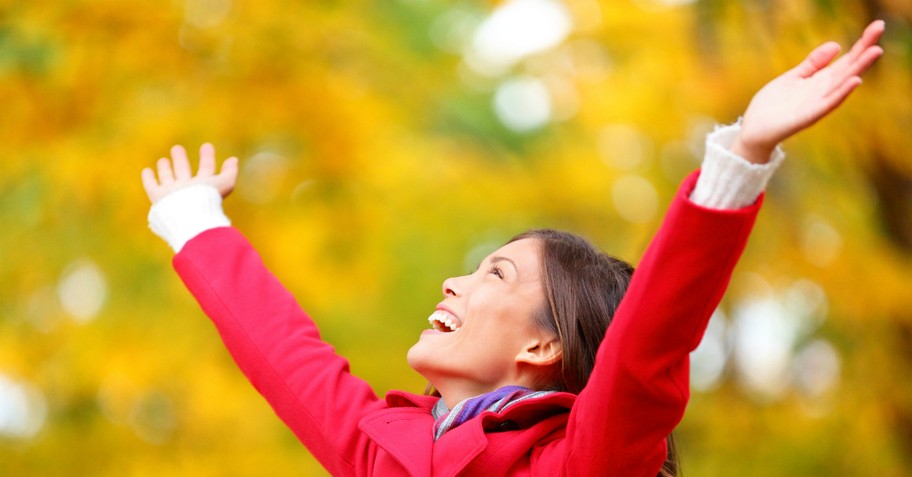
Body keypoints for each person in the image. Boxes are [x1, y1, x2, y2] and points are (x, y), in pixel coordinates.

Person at [141, 21, 884, 477]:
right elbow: (287, 354)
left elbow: (646, 345)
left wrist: (739, 157)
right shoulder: (384, 455)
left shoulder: (579, 464)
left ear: (543, 343)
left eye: (494, 270)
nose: (453, 281)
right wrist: (196, 223)